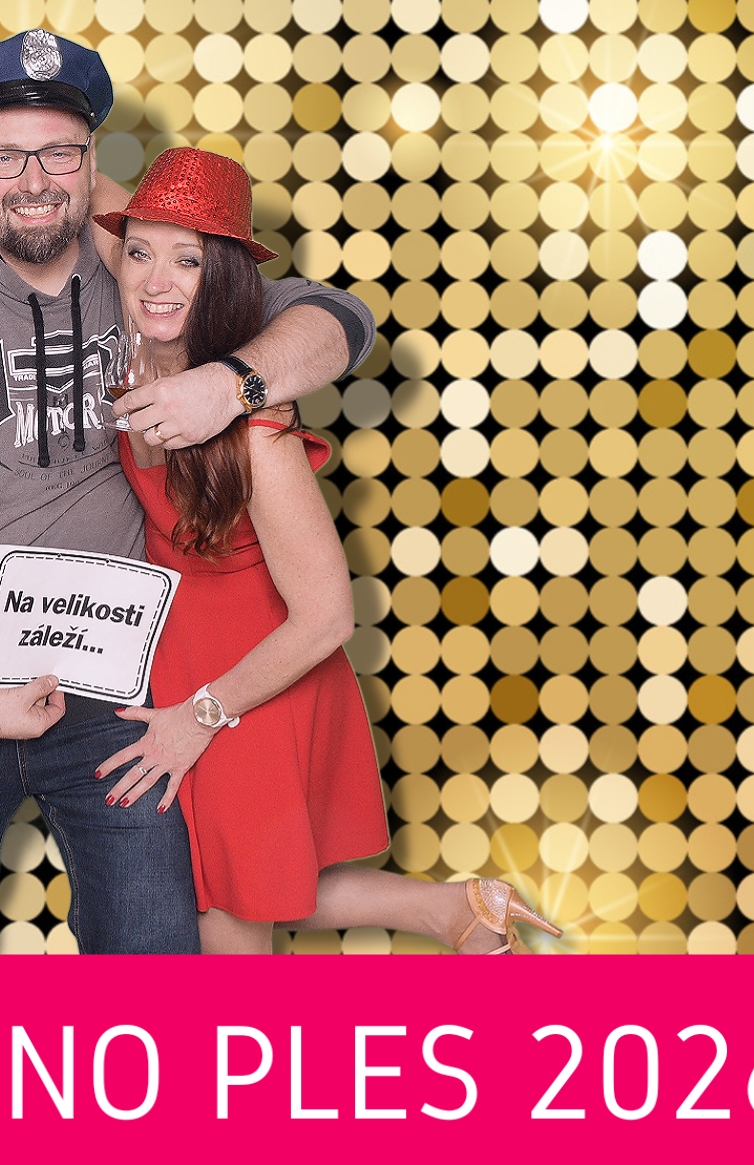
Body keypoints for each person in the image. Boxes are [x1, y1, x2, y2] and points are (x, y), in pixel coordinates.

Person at [0, 30, 378, 954]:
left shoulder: (139, 268)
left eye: (57, 155)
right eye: (2, 158)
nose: (31, 181)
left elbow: (338, 320)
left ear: (92, 167)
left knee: (158, 943)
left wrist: (229, 384)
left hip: (114, 680)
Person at [88, 147, 563, 954]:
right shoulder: (147, 343)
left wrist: (200, 716)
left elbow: (326, 616)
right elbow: (66, 182)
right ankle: (458, 910)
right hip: (179, 662)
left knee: (226, 917)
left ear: (225, 276)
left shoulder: (254, 428)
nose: (155, 280)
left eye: (187, 260)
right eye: (138, 253)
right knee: (230, 881)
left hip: (249, 684)